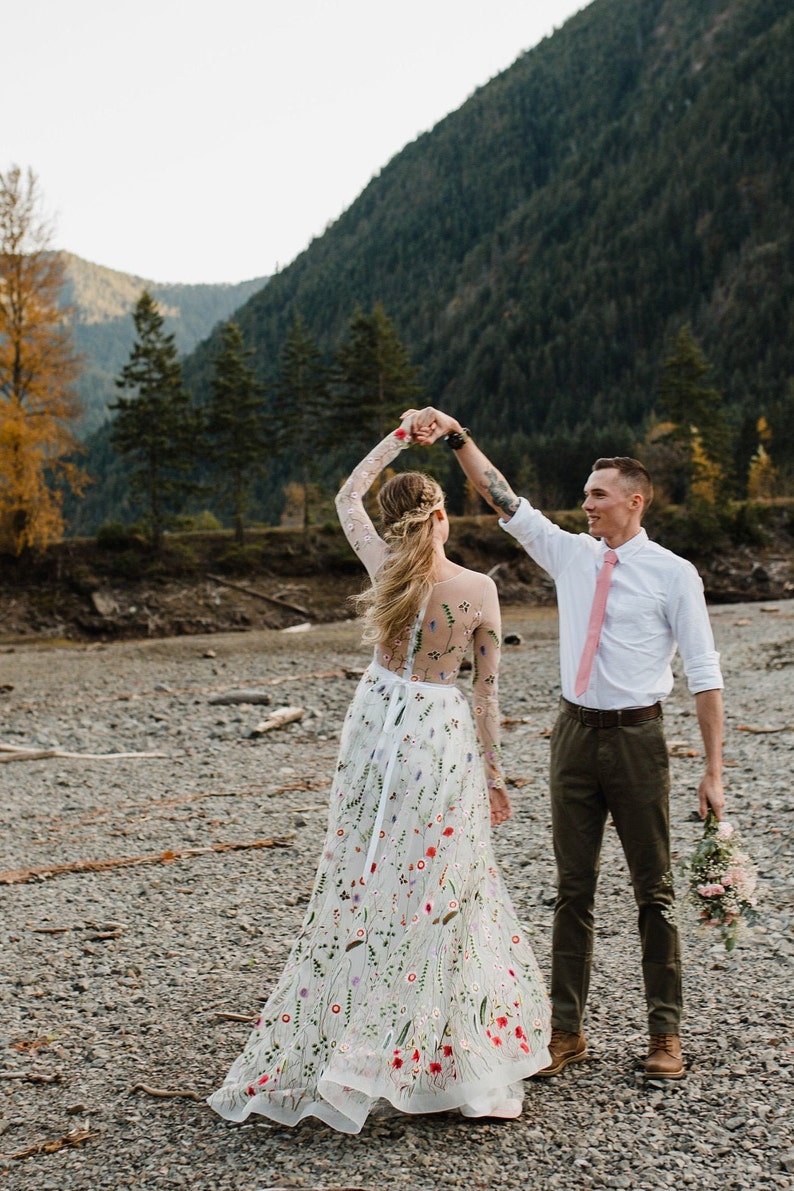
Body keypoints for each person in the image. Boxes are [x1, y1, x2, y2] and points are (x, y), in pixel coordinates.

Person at [207, 418, 551, 1134]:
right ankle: (465, 1069)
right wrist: (495, 776)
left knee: (368, 881)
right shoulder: (480, 591)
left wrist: (399, 433)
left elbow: (345, 496)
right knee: (450, 892)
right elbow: (486, 695)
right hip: (437, 735)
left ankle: (360, 1044)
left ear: (396, 525)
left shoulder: (385, 570)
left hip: (377, 731)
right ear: (443, 517)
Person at [407, 408, 725, 1081]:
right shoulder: (570, 552)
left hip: (640, 738)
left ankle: (665, 1032)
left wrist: (714, 770)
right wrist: (460, 435)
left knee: (655, 890)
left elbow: (705, 674)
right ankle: (565, 1030)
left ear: (634, 502)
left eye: (598, 495)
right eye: (585, 495)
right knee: (571, 889)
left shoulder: (675, 574)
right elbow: (503, 496)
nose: (587, 505)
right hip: (573, 735)